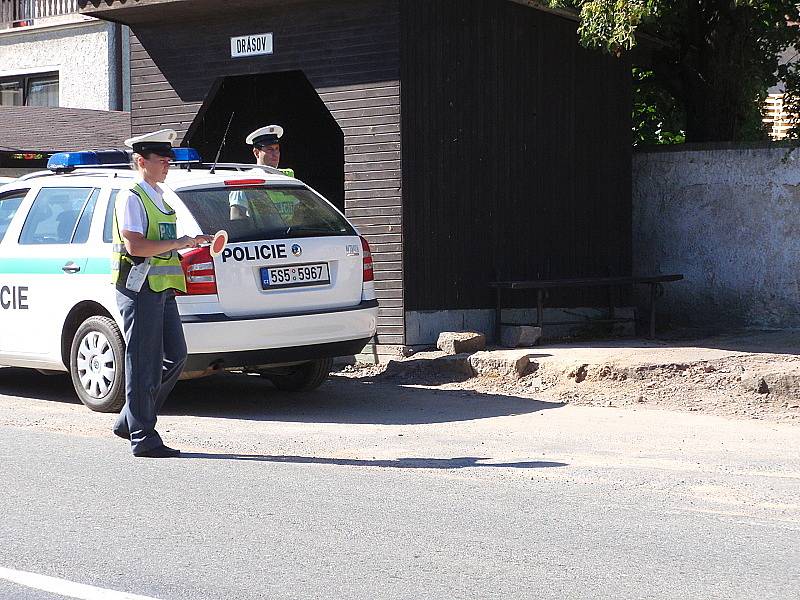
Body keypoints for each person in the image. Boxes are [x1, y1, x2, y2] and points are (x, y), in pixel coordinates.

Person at [112, 129, 212, 458]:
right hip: (139, 288)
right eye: (162, 158)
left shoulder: (158, 195)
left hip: (162, 287)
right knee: (143, 363)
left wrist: (191, 242)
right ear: (142, 161)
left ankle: (130, 418)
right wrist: (180, 242)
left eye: (169, 157)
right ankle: (143, 436)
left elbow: (164, 244)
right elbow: (136, 245)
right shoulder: (132, 196)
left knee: (176, 355)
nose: (168, 162)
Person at [230, 124, 295, 220]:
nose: (275, 154)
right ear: (256, 153)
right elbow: (237, 219)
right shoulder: (245, 180)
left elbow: (299, 213)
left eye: (277, 149)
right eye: (270, 150)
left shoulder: (288, 176)